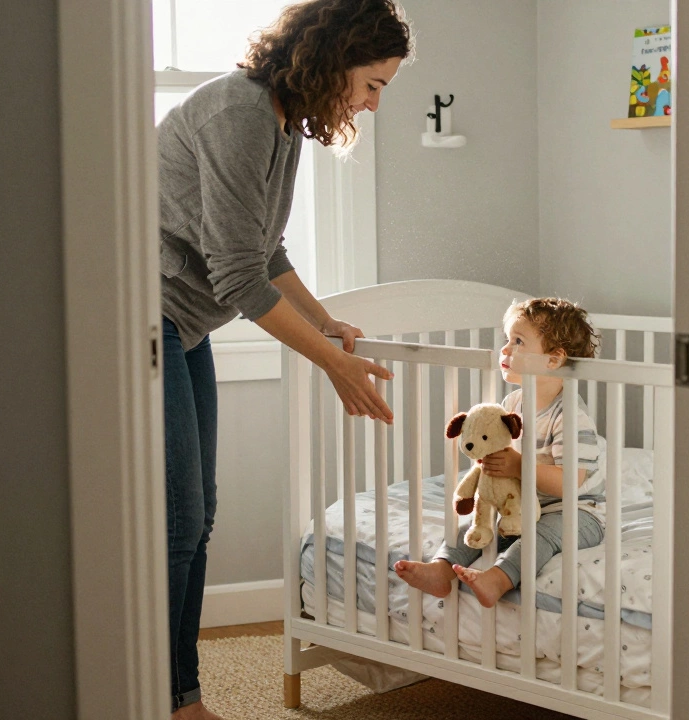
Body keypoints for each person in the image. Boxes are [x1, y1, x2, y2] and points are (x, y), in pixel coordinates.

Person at [156, 2, 411, 717]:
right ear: (334, 58)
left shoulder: (279, 119)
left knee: (198, 516)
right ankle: (167, 695)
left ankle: (179, 693)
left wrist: (326, 323)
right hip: (148, 317)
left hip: (186, 326)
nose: (372, 103)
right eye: (372, 84)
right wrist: (331, 365)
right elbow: (239, 278)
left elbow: (267, 251)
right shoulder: (238, 113)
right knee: (178, 521)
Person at [394, 298, 608, 609]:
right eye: (507, 340)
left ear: (553, 359)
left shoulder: (570, 416)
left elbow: (568, 484)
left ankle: (498, 578)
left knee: (540, 537)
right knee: (475, 527)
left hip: (578, 513)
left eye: (518, 342)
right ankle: (442, 570)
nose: (505, 350)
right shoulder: (512, 404)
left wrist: (519, 465)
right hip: (525, 504)